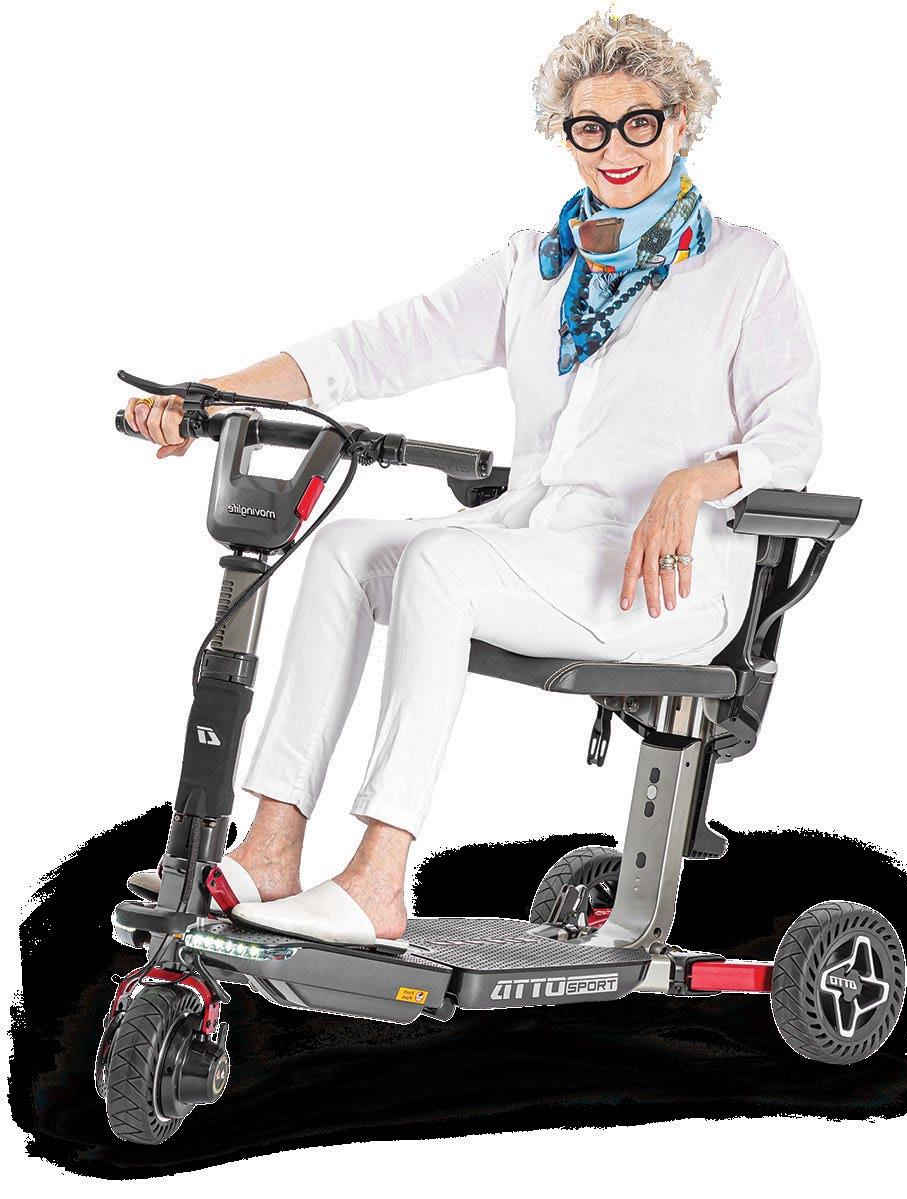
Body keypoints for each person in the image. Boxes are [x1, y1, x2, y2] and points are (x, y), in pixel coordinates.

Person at [126, 11, 822, 946]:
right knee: (343, 547)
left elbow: (793, 434)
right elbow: (380, 346)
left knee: (441, 562)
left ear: (682, 121)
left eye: (639, 122)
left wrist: (693, 481)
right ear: (564, 134)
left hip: (665, 579)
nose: (614, 149)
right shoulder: (538, 266)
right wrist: (209, 394)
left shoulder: (745, 267)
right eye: (589, 127)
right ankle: (273, 843)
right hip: (538, 541)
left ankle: (378, 874)